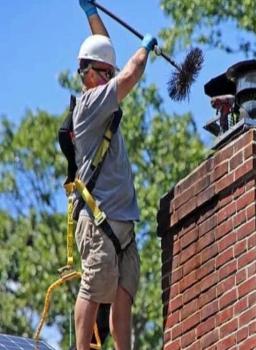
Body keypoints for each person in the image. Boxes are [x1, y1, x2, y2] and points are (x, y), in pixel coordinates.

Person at [73, 1, 157, 349]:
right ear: (87, 72)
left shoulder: (103, 88)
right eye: (103, 73)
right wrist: (145, 49)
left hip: (123, 222)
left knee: (123, 296)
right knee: (94, 286)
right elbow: (130, 73)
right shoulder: (90, 106)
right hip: (98, 219)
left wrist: (91, 13)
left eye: (109, 73)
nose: (109, 78)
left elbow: (105, 51)